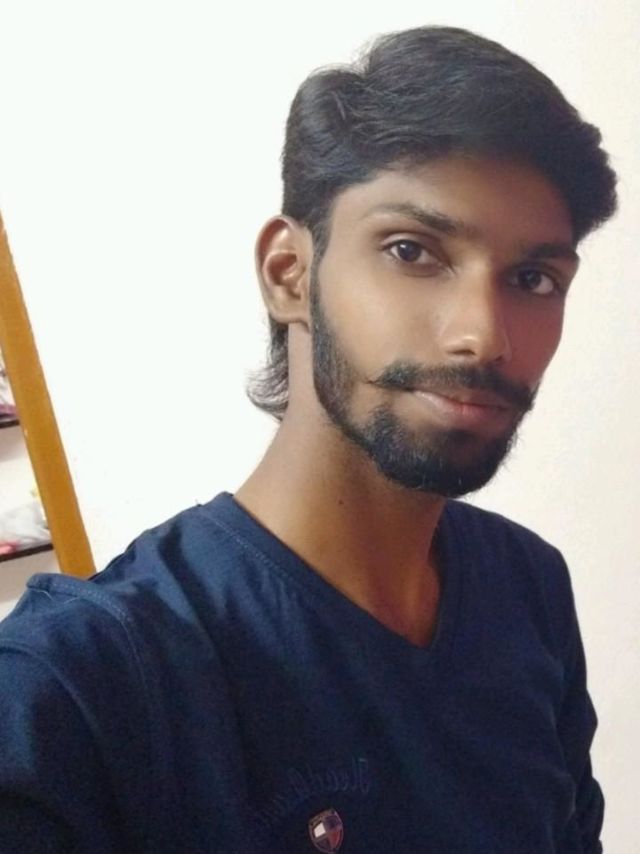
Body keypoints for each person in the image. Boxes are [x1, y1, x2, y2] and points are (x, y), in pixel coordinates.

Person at [0, 25, 617, 854]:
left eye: (534, 278)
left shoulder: (529, 587)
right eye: (412, 251)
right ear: (288, 275)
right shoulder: (84, 687)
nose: (483, 334)